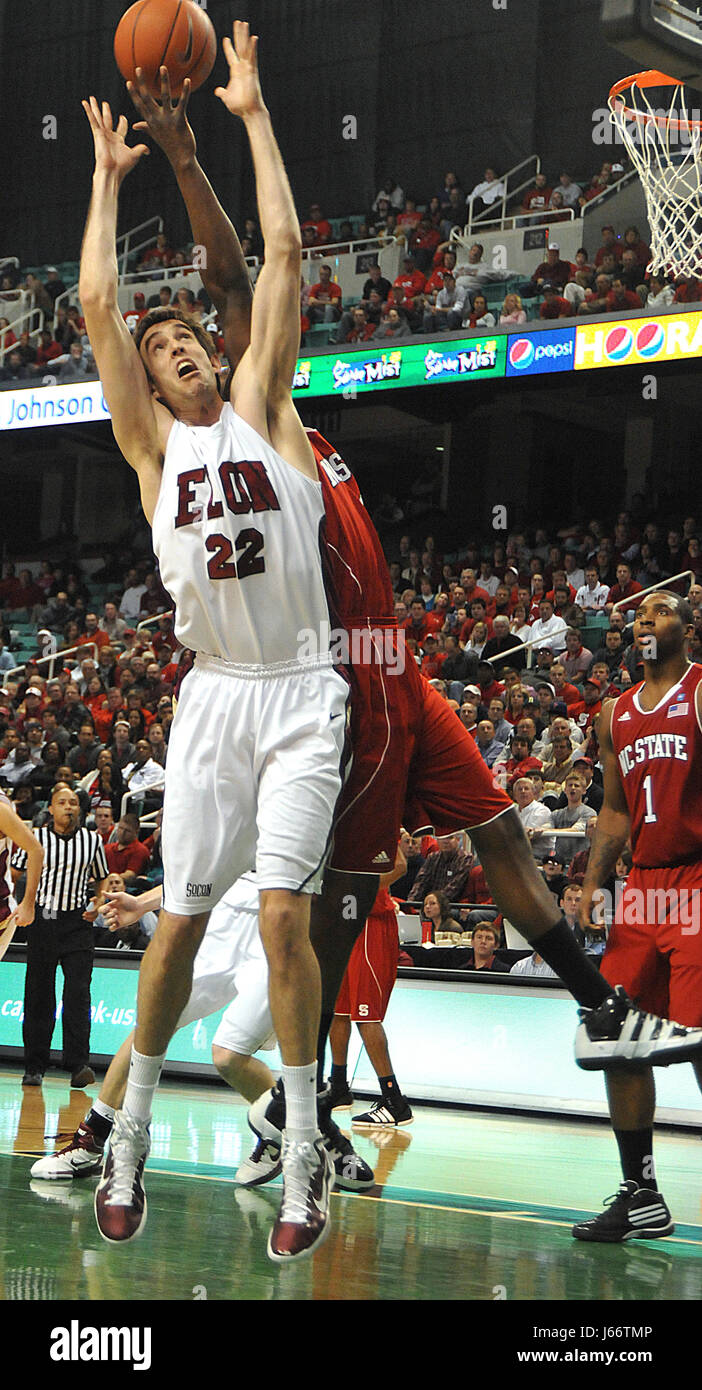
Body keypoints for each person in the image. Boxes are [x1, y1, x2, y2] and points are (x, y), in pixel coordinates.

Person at [135, 24, 702, 1215]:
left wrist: (207, 144)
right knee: (332, 910)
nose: (226, 352)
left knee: (497, 828)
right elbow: (238, 276)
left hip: (405, 670)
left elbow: (248, 287)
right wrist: (197, 153)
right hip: (334, 684)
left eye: (220, 347)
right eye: (193, 353)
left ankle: (590, 992)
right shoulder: (239, 431)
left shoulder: (286, 407)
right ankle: (285, 1112)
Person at [80, 27, 352, 1261]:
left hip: (299, 691)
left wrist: (247, 116)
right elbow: (96, 303)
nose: (182, 351)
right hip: (212, 699)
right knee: (179, 929)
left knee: (287, 920)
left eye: (192, 342)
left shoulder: (265, 407)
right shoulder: (152, 454)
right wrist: (105, 182)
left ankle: (304, 1152)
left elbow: (280, 251)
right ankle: (127, 1127)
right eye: (165, 351)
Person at [573, 590, 702, 1241]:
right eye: (640, 614)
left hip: (699, 878)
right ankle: (642, 1194)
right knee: (615, 1033)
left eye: (661, 611)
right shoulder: (613, 713)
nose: (645, 620)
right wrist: (595, 885)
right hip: (644, 888)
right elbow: (617, 811)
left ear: (688, 625)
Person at [11, 785, 107, 1087]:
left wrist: (98, 902)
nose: (68, 807)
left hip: (77, 922)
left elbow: (102, 879)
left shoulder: (92, 841)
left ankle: (78, 1065)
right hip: (43, 920)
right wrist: (23, 903)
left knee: (78, 993)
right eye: (62, 802)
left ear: (80, 809)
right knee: (39, 993)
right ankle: (35, 1065)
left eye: (74, 803)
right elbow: (13, 873)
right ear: (50, 808)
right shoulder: (35, 838)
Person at [327, 845, 414, 1128]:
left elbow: (399, 865)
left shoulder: (371, 820)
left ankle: (395, 1102)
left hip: (370, 922)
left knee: (366, 1017)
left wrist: (358, 888)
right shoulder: (334, 822)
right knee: (337, 1010)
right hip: (342, 920)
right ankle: (338, 1087)